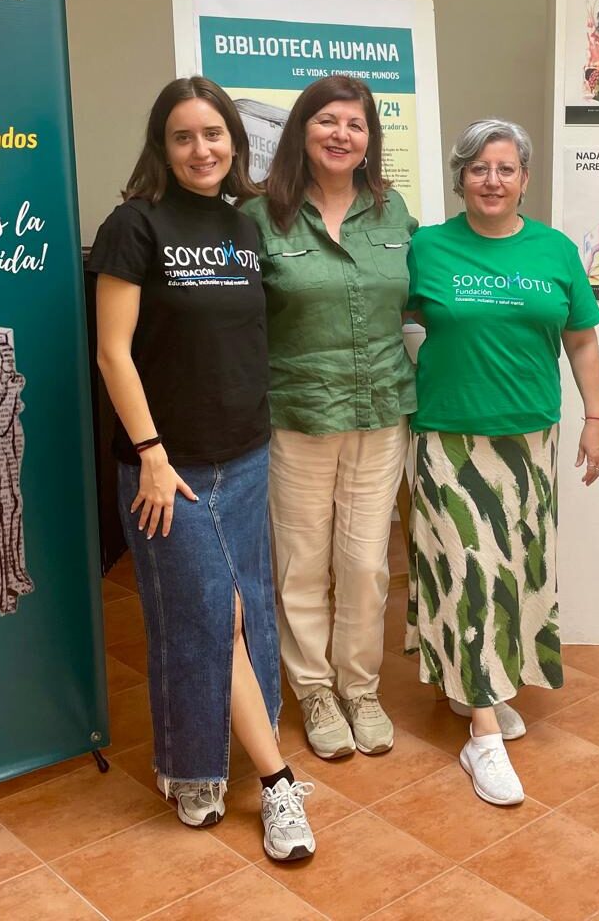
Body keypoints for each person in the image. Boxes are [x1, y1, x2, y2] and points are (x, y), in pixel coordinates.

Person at [89, 76, 315, 861]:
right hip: (168, 468)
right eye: (183, 137)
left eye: (214, 135)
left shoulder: (242, 228)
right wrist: (150, 456)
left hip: (245, 455)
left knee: (243, 610)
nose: (201, 149)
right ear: (162, 146)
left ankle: (193, 767)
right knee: (203, 615)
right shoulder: (134, 226)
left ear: (234, 142)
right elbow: (112, 352)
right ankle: (276, 780)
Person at [404, 118, 599, 806]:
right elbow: (391, 325)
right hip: (447, 440)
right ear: (460, 178)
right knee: (468, 572)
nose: (492, 180)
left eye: (506, 168)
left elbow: (580, 341)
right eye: (478, 168)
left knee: (513, 573)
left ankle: (476, 683)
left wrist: (597, 419)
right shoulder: (425, 248)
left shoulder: (554, 250)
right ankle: (483, 732)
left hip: (530, 444)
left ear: (524, 179)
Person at [241, 75, 417, 760]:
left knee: (368, 564)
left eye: (356, 124)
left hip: (380, 413)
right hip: (298, 412)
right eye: (327, 121)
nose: (342, 134)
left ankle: (360, 686)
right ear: (301, 132)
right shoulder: (262, 218)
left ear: (370, 139)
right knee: (303, 564)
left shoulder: (393, 210)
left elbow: (426, 298)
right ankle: (314, 689)